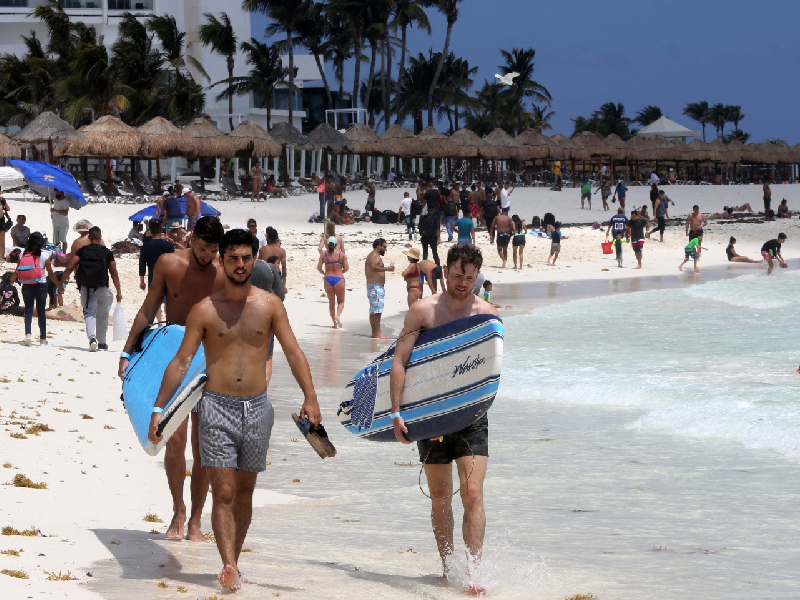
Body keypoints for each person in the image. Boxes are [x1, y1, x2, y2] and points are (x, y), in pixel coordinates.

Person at [148, 228, 321, 592]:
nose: (240, 264)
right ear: (221, 261)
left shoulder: (270, 305)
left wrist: (310, 397)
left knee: (244, 492)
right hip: (216, 407)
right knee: (223, 492)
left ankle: (234, 563)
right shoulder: (205, 310)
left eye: (246, 258)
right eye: (233, 258)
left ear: (254, 260)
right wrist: (159, 407)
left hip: (258, 409)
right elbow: (181, 362)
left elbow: (292, 352)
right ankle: (227, 564)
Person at [389, 244, 498, 593]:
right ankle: (448, 566)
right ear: (445, 271)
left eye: (469, 277)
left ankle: (474, 572)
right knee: (439, 494)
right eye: (457, 275)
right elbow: (399, 361)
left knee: (472, 490)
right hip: (430, 413)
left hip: (470, 414)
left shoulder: (487, 314)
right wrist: (396, 412)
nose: (463, 283)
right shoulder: (423, 311)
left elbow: (490, 369)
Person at [119, 216, 226, 542]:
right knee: (174, 440)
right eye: (201, 247)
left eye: (211, 250)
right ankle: (178, 509)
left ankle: (195, 519)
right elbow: (149, 309)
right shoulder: (168, 263)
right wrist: (126, 353)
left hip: (208, 362)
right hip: (172, 357)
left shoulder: (222, 275)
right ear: (191, 238)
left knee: (203, 447)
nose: (205, 256)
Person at [59, 226, 123, 352]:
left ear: (89, 237)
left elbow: (69, 267)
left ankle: (92, 338)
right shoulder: (106, 252)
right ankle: (102, 342)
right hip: (103, 287)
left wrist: (62, 284)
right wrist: (119, 291)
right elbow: (114, 273)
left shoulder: (82, 251)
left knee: (89, 313)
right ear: (100, 238)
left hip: (86, 288)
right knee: (103, 315)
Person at [12, 232, 60, 345]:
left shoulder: (23, 254)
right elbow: (51, 274)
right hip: (41, 285)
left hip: (27, 285)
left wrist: (12, 280)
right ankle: (43, 339)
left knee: (28, 310)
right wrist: (58, 284)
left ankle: (28, 334)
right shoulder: (44, 255)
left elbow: (17, 270)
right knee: (41, 312)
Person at [139, 219, 174, 323]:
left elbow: (142, 263)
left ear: (150, 230)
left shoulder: (146, 246)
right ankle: (168, 321)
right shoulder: (168, 245)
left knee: (156, 301)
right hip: (167, 276)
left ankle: (159, 322)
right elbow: (174, 262)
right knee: (168, 301)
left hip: (153, 276)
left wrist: (142, 280)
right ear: (160, 229)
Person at [317, 236, 349, 328]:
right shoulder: (341, 254)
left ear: (327, 244)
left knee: (331, 303)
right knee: (341, 301)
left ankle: (334, 324)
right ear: (336, 245)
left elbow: (319, 268)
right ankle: (337, 315)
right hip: (339, 278)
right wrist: (341, 272)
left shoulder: (323, 255)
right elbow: (346, 268)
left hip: (328, 279)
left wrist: (324, 273)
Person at [365, 238, 394, 339]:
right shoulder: (374, 255)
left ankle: (374, 333)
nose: (385, 249)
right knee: (377, 311)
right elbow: (373, 267)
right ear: (378, 246)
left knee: (374, 310)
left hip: (375, 286)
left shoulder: (375, 255)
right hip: (375, 286)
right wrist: (387, 269)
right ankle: (378, 332)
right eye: (384, 247)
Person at [50, 189, 70, 253]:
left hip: (63, 223)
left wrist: (55, 211)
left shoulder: (65, 201)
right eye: (56, 193)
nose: (56, 194)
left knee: (63, 239)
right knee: (56, 240)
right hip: (55, 222)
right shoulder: (55, 200)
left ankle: (64, 253)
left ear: (62, 193)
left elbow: (65, 212)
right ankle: (57, 253)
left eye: (57, 193)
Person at [0, 186, 10, 260]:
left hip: (1, 220)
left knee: (1, 240)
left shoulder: (2, 199)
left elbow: (8, 209)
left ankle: (2, 257)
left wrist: (3, 202)